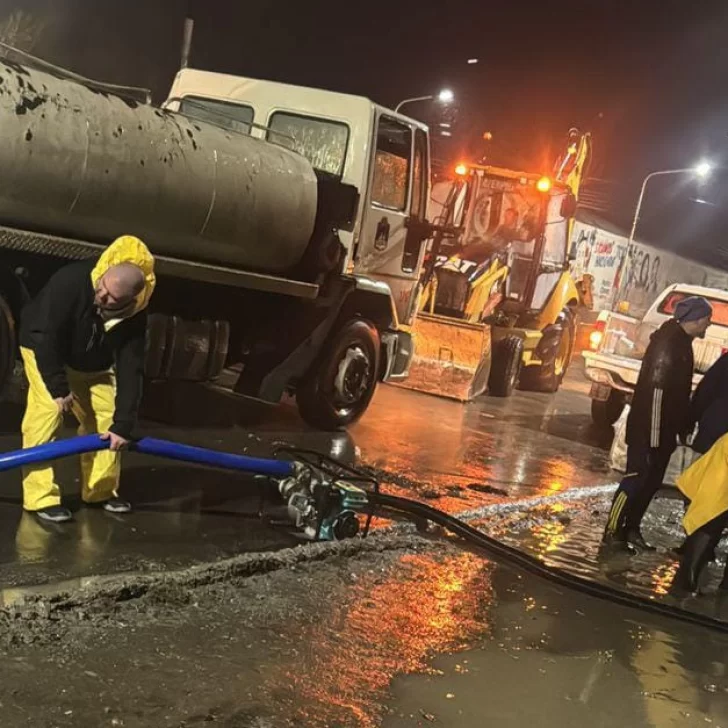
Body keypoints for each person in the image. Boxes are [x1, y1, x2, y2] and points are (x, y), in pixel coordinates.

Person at [19, 236, 156, 523]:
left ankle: (100, 491)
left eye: (110, 299)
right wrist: (59, 388)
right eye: (101, 288)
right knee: (47, 412)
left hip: (92, 363)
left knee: (106, 420)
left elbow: (132, 368)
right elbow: (44, 334)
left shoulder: (135, 316)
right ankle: (40, 498)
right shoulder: (72, 281)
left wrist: (124, 425)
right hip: (44, 347)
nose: (100, 298)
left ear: (129, 302)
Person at [602, 296, 712, 551]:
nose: (708, 324)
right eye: (706, 319)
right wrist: (654, 439)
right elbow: (656, 393)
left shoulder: (683, 342)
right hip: (648, 431)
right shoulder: (668, 344)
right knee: (635, 479)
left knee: (651, 482)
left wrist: (679, 428)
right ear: (694, 319)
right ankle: (612, 530)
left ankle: (631, 528)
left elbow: (677, 394)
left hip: (662, 432)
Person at [671, 351, 728, 591]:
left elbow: (705, 392)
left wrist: (691, 420)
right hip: (720, 444)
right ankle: (689, 574)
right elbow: (706, 392)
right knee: (712, 507)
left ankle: (690, 571)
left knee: (711, 506)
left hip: (718, 440)